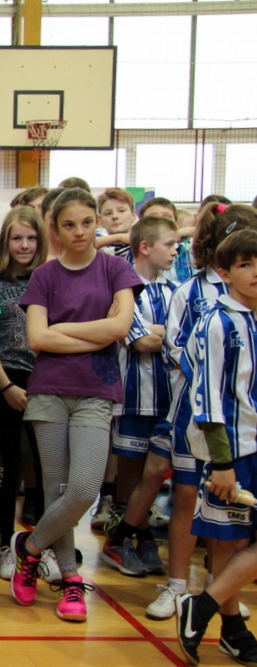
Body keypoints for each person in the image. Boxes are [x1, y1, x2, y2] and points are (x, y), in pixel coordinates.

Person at [10, 188, 142, 623]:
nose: (80, 231)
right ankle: (69, 578)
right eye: (69, 224)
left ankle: (30, 548)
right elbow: (37, 338)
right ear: (56, 229)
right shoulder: (44, 276)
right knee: (57, 490)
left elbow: (120, 328)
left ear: (97, 222)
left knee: (84, 489)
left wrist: (64, 329)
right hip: (48, 391)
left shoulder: (116, 269)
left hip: (97, 391)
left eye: (87, 222)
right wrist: (97, 331)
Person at [151, 203, 257, 621]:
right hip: (196, 418)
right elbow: (175, 347)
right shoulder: (193, 293)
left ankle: (218, 594)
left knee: (230, 519)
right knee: (186, 497)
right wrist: (214, 373)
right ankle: (177, 586)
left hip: (241, 429)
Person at [175, 229, 257, 667]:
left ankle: (201, 606)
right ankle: (232, 629)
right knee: (230, 540)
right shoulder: (217, 322)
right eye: (245, 265)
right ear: (224, 273)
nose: (255, 272)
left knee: (238, 540)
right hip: (234, 452)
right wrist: (222, 463)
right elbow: (206, 398)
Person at [98, 216, 179, 581]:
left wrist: (160, 333)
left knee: (156, 471)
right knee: (132, 472)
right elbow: (142, 341)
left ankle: (136, 535)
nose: (176, 250)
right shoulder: (124, 288)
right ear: (145, 247)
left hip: (169, 396)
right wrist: (163, 335)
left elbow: (182, 337)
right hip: (133, 396)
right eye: (169, 243)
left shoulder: (175, 289)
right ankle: (131, 538)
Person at [0, 207, 49, 580]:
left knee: (48, 466)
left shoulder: (49, 280)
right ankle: (3, 540)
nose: (24, 245)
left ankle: (45, 545)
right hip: (5, 380)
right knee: (9, 463)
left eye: (31, 238)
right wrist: (4, 386)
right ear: (5, 241)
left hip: (45, 381)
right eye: (17, 238)